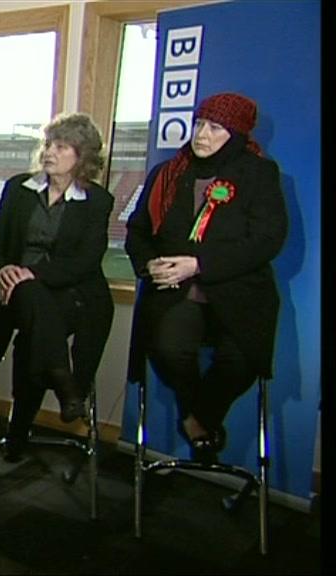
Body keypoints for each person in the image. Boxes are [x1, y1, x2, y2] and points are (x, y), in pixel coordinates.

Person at [125, 92, 287, 463]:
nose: (202, 134)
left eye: (215, 128)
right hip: (175, 291)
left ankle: (198, 419)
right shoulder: (167, 174)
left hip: (240, 294)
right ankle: (196, 419)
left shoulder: (259, 173)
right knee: (167, 348)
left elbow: (267, 240)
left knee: (242, 361)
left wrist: (198, 264)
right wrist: (148, 264)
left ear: (236, 134)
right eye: (199, 124)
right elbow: (137, 231)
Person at [0, 112, 114, 461]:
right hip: (18, 293)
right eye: (49, 144)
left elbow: (85, 261)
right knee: (32, 306)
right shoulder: (20, 189)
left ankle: (18, 430)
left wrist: (31, 274)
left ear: (81, 157)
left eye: (62, 146)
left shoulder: (96, 200)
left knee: (34, 337)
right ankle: (65, 384)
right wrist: (4, 269)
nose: (50, 152)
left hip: (73, 297)